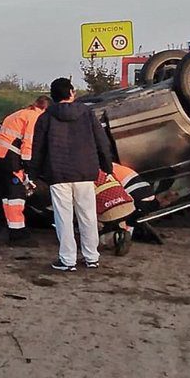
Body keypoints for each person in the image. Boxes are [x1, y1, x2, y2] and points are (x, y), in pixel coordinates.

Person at [29, 77, 113, 271]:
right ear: (71, 93)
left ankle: (67, 260)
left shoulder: (45, 117)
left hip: (58, 173)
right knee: (88, 215)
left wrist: (32, 174)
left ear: (53, 96)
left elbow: (38, 149)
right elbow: (102, 141)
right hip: (85, 171)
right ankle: (92, 257)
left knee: (63, 218)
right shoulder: (87, 113)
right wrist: (107, 167)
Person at [0, 95, 51, 243]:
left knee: (8, 196)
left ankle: (14, 229)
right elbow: (28, 143)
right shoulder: (34, 117)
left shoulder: (21, 113)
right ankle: (17, 233)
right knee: (16, 195)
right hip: (10, 157)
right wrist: (28, 165)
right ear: (44, 109)